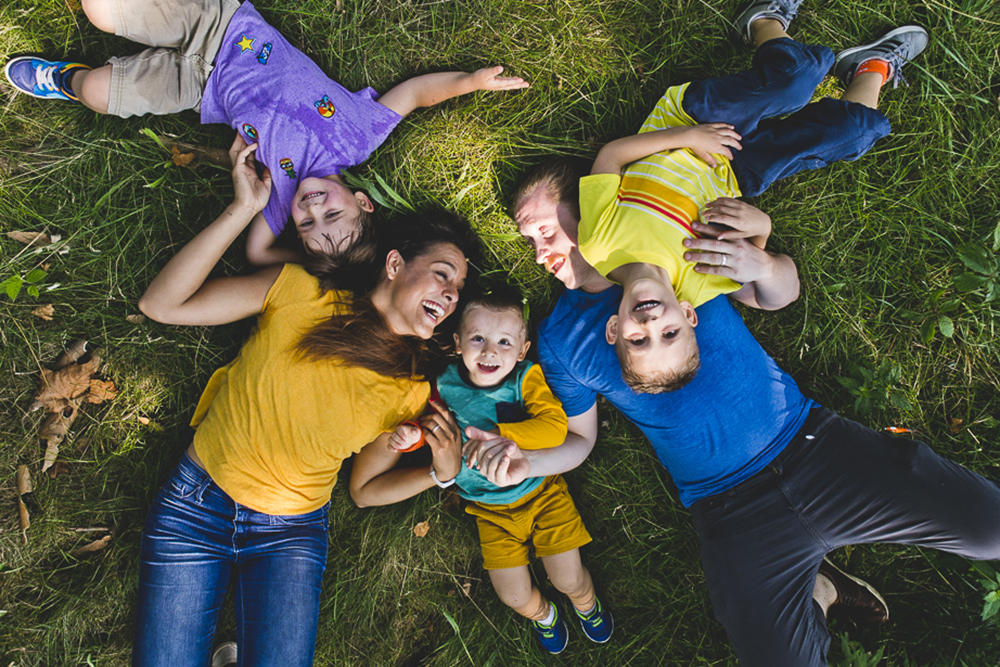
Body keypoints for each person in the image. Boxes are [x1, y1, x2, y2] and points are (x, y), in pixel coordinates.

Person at [474, 5, 1000, 667]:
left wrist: (763, 250)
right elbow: (577, 441)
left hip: (811, 444)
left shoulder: (668, 266)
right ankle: (821, 590)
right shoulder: (565, 336)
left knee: (992, 529)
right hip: (734, 512)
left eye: (547, 228)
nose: (542, 250)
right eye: (531, 242)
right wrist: (528, 459)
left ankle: (782, 30)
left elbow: (775, 289)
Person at [133, 132, 479, 667]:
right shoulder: (301, 290)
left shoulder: (412, 390)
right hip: (195, 506)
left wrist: (442, 472)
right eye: (442, 273)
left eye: (456, 289)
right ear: (393, 265)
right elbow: (161, 303)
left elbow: (364, 490)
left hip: (289, 536)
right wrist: (242, 207)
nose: (453, 293)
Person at [527, 1, 929, 393]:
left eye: (638, 341)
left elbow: (610, 156)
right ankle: (871, 68)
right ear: (688, 315)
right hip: (736, 172)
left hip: (687, 121)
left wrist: (686, 136)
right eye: (670, 333)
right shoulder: (700, 282)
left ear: (615, 330)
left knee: (797, 76)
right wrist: (762, 233)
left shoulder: (599, 244)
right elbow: (777, 297)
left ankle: (763, 17)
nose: (650, 326)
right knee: (856, 133)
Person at [4, 0, 527, 267]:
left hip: (196, 87)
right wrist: (470, 82)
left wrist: (309, 252)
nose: (312, 207)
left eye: (308, 223)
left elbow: (257, 253)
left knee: (97, 92)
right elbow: (414, 95)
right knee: (100, 9)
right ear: (364, 201)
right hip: (222, 26)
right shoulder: (356, 137)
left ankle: (65, 79)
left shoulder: (274, 201)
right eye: (333, 213)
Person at [386, 287, 613, 654]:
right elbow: (432, 429)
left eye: (505, 342)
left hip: (541, 494)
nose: (490, 350)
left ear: (522, 351)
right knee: (514, 596)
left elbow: (555, 427)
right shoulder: (444, 384)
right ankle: (545, 616)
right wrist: (412, 436)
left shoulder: (525, 379)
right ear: (458, 343)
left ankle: (586, 603)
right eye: (478, 338)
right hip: (488, 510)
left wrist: (502, 435)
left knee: (568, 578)